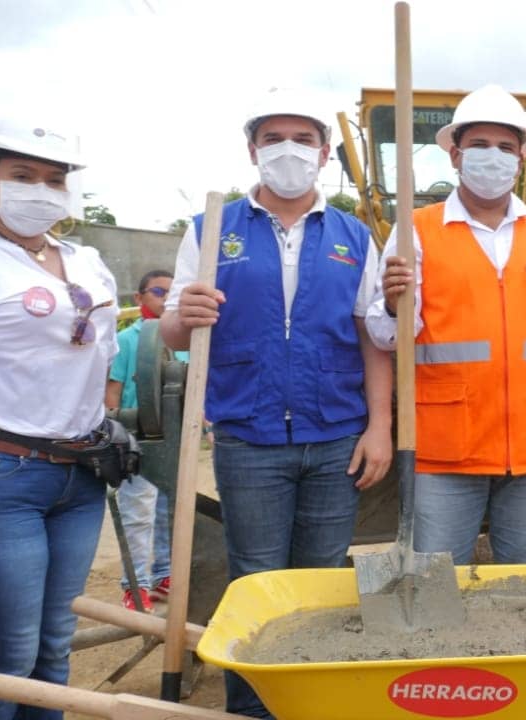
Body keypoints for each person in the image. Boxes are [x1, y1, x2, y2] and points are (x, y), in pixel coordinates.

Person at [159, 87, 392, 718]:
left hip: (336, 435)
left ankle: (314, 701)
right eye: (274, 138)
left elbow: (376, 337)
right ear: (252, 149)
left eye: (303, 138)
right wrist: (185, 315)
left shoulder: (353, 236)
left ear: (323, 153)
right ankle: (254, 709)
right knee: (255, 584)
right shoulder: (212, 230)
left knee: (321, 582)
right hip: (249, 437)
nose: (288, 150)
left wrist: (381, 427)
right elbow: (173, 333)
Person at [370, 84, 526, 565]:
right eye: (479, 145)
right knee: (436, 583)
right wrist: (397, 304)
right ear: (455, 156)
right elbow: (386, 335)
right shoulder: (414, 227)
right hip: (445, 444)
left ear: (521, 159)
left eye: (505, 146)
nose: (492, 156)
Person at [0, 116, 117, 719]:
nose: (40, 190)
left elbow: (103, 359)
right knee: (8, 654)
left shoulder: (89, 261)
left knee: (53, 652)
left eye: (54, 179)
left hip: (79, 475)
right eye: (22, 176)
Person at [106, 269, 181, 613]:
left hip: (175, 441)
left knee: (170, 513)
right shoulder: (126, 341)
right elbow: (112, 396)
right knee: (138, 513)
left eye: (171, 292)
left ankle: (165, 575)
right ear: (138, 299)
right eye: (157, 291)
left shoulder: (183, 344)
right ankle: (134, 587)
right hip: (136, 440)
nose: (165, 298)